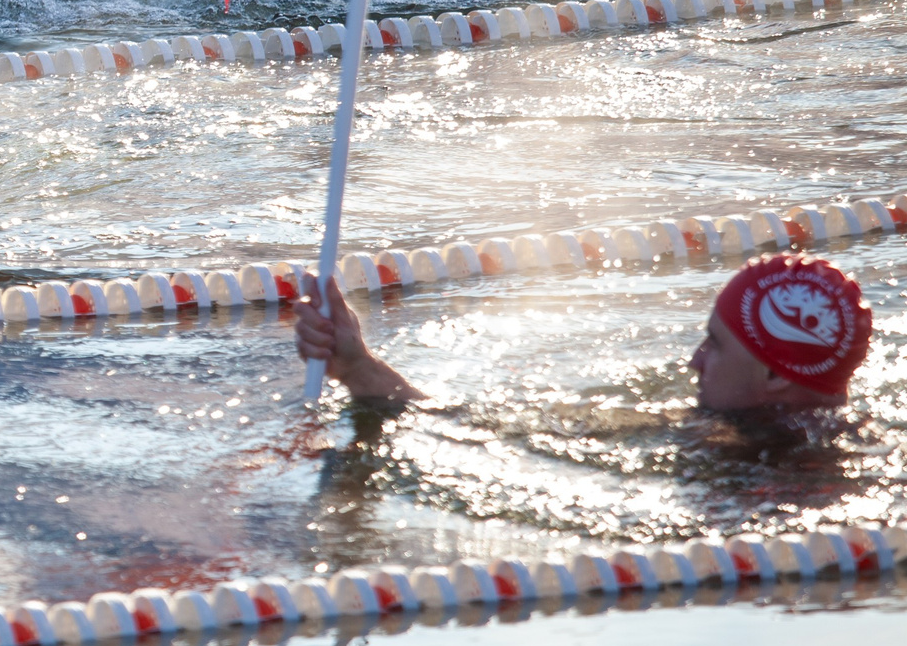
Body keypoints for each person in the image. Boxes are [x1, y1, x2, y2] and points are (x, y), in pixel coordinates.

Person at [295, 253, 873, 419]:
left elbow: (478, 431)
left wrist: (363, 374)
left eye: (716, 345)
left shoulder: (752, 477)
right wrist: (359, 367)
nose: (695, 361)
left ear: (774, 375)